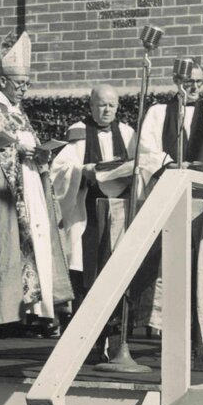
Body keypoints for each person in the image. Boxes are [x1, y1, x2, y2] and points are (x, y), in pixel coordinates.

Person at [0, 31, 73, 338]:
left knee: (38, 245)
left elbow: (25, 140)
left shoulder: (16, 109)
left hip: (30, 188)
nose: (24, 91)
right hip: (8, 191)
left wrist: (40, 152)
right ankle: (9, 314)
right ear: (2, 80)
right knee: (12, 247)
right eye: (19, 85)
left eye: (27, 85)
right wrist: (19, 150)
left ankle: (35, 312)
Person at [133, 60, 203, 356]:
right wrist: (170, 164)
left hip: (201, 201)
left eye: (201, 83)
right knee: (163, 267)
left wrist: (197, 169)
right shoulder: (157, 113)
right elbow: (146, 152)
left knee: (199, 267)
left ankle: (196, 336)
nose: (195, 88)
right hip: (165, 197)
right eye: (190, 82)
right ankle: (161, 332)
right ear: (176, 81)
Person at [51, 84, 136, 310]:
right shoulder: (78, 131)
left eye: (111, 105)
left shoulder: (128, 134)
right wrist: (82, 171)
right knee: (84, 262)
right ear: (91, 106)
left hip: (120, 206)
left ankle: (116, 318)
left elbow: (141, 167)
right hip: (86, 206)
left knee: (117, 262)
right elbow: (60, 169)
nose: (107, 110)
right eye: (101, 105)